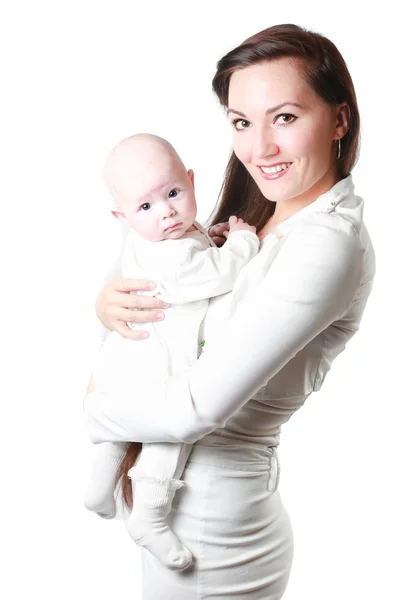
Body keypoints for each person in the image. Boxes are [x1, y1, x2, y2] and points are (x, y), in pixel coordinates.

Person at [84, 23, 375, 600]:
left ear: (339, 119)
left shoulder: (326, 243)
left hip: (216, 535)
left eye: (285, 118)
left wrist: (93, 405)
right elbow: (180, 316)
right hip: (189, 512)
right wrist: (106, 304)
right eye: (243, 122)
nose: (259, 147)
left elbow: (196, 406)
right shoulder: (257, 220)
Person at [84, 133, 260, 572]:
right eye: (146, 207)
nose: (166, 212)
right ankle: (149, 515)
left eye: (174, 193)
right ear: (121, 216)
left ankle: (97, 488)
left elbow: (195, 244)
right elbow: (217, 273)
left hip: (126, 361)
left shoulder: (159, 241)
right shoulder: (172, 257)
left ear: (192, 181)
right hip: (162, 366)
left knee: (118, 428)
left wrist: (212, 233)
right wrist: (240, 241)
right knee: (166, 438)